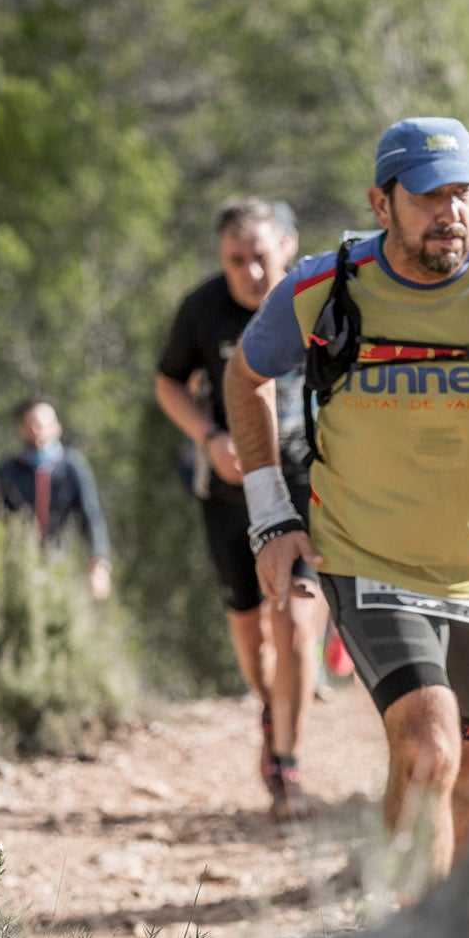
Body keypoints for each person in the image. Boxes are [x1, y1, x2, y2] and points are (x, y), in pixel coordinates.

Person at [225, 117, 469, 881]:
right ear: (381, 204)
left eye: (463, 194)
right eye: (427, 197)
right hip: (367, 554)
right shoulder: (327, 287)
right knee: (428, 747)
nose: (450, 212)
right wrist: (271, 518)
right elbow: (244, 376)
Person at [154, 196, 328, 820]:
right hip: (229, 492)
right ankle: (272, 703)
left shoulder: (322, 299)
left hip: (312, 483)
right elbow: (168, 382)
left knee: (297, 619)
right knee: (254, 635)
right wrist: (210, 437)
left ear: (288, 245)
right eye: (235, 261)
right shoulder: (203, 309)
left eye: (260, 258)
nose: (250, 274)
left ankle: (287, 760)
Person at [0, 395, 113, 601]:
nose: (37, 428)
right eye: (31, 422)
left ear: (57, 426)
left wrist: (98, 563)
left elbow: (91, 516)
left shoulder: (72, 466)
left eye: (43, 422)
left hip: (63, 561)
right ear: (21, 428)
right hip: (18, 564)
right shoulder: (8, 471)